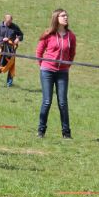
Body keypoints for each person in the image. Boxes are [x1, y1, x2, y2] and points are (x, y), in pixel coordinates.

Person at [35, 9, 76, 139]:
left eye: (66, 15)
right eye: (63, 16)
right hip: (47, 71)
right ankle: (41, 131)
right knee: (47, 101)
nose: (66, 17)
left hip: (62, 73)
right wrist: (44, 66)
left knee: (63, 102)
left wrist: (66, 66)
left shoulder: (71, 36)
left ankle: (66, 133)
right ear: (56, 18)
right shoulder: (48, 34)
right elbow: (39, 52)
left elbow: (72, 54)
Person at [0, 14, 23, 86]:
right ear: (4, 20)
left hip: (11, 50)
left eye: (10, 22)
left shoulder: (15, 27)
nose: (9, 23)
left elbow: (21, 35)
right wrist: (2, 39)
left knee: (11, 65)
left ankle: (9, 83)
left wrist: (18, 38)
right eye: (8, 22)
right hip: (1, 48)